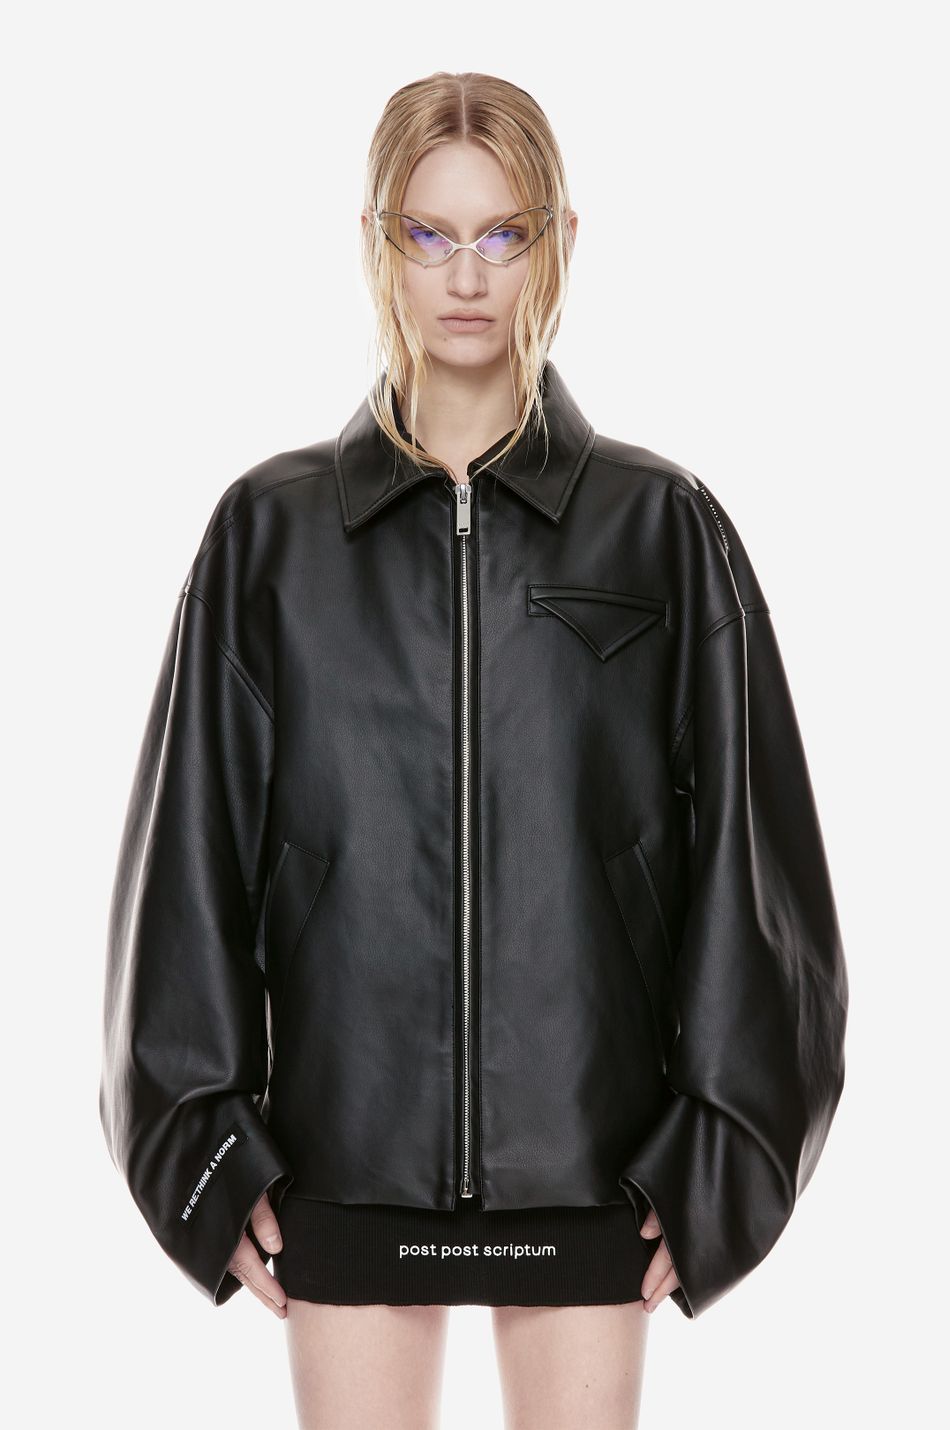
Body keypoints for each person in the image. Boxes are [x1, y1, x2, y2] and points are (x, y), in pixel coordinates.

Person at [99, 71, 849, 1430]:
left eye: (502, 234)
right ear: (376, 241)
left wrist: (718, 1157)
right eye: (428, 233)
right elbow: (189, 857)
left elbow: (758, 866)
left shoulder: (660, 527)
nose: (464, 276)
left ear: (558, 241)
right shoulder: (269, 535)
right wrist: (204, 1144)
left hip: (590, 1161)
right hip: (343, 1157)